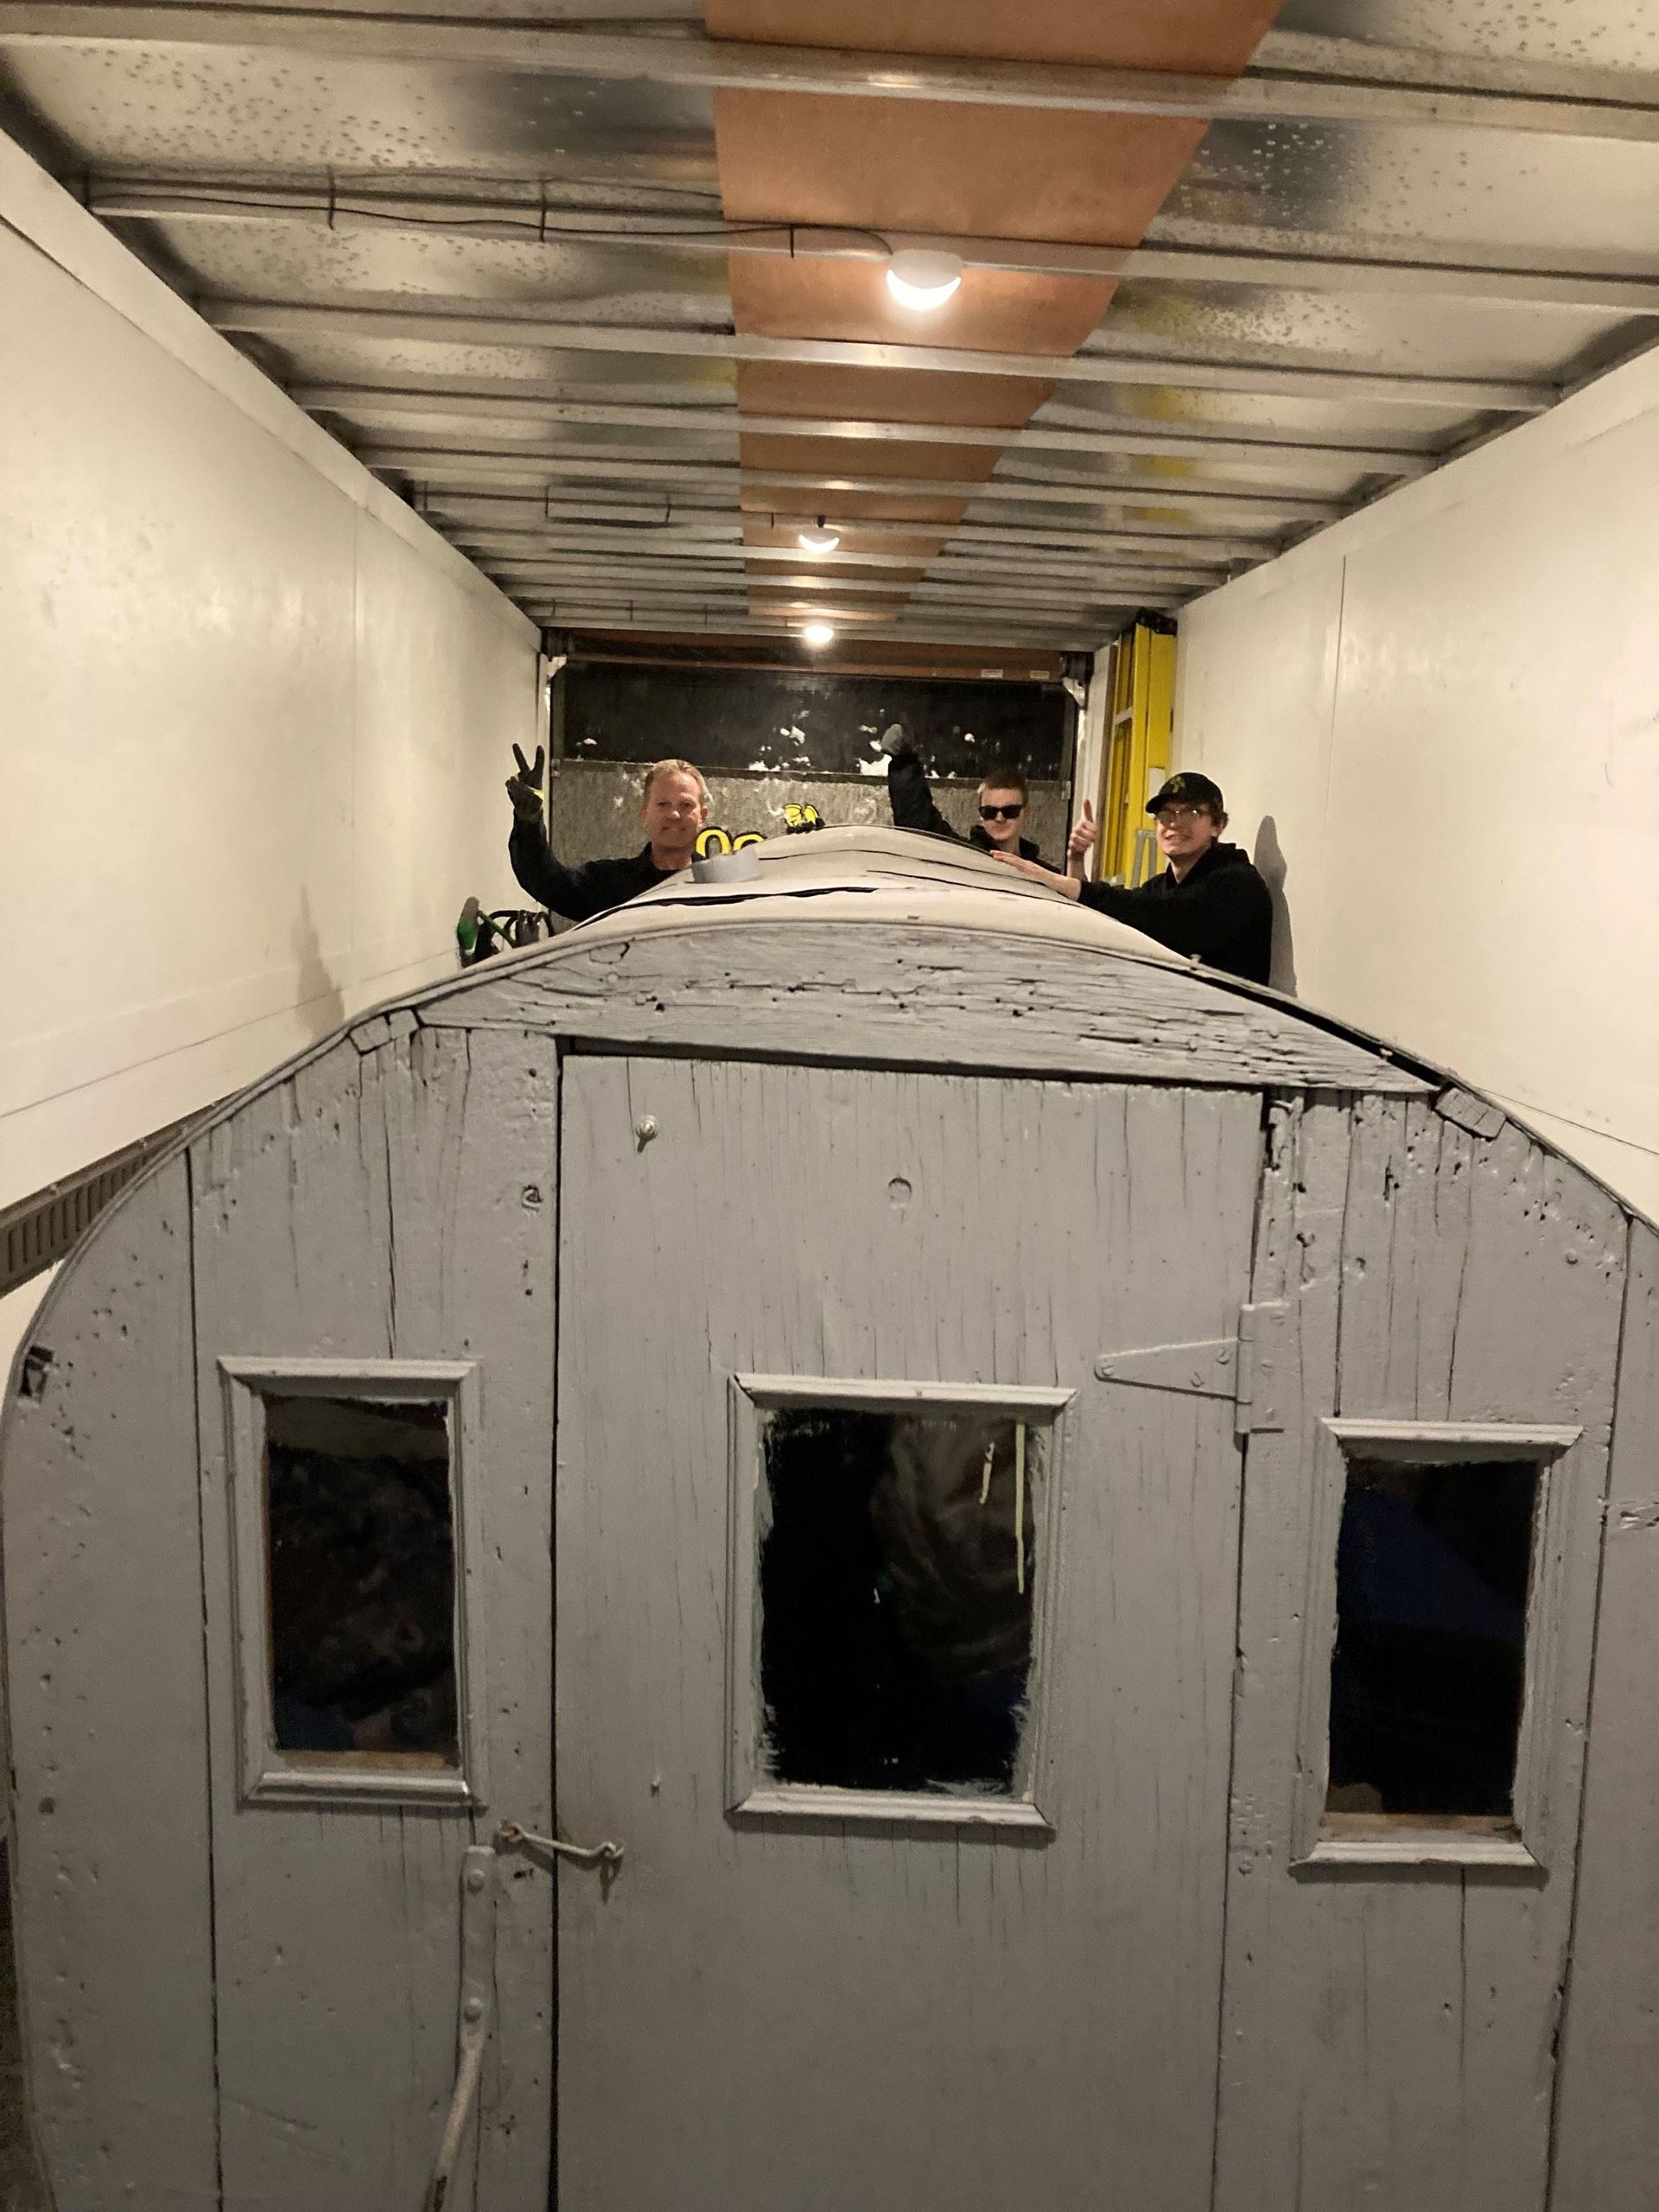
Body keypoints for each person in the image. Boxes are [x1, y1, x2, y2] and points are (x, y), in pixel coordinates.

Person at [993, 771, 1273, 985]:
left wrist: (1070, 886)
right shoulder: (1163, 886)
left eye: (1192, 812)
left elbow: (1167, 920)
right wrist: (1075, 859)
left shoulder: (1238, 884)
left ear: (1218, 825)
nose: (1175, 823)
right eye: (1166, 814)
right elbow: (1112, 921)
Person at [505, 747, 711, 923]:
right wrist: (529, 821)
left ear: (702, 816)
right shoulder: (611, 885)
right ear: (645, 814)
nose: (674, 814)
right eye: (663, 804)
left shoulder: (720, 886)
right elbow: (548, 883)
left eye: (686, 805)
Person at [878, 724, 1051, 864]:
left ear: (1025, 813)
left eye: (1010, 811)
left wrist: (1075, 860)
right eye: (989, 811)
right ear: (980, 815)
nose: (999, 818)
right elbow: (918, 822)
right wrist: (904, 761)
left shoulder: (1043, 875)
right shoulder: (963, 858)